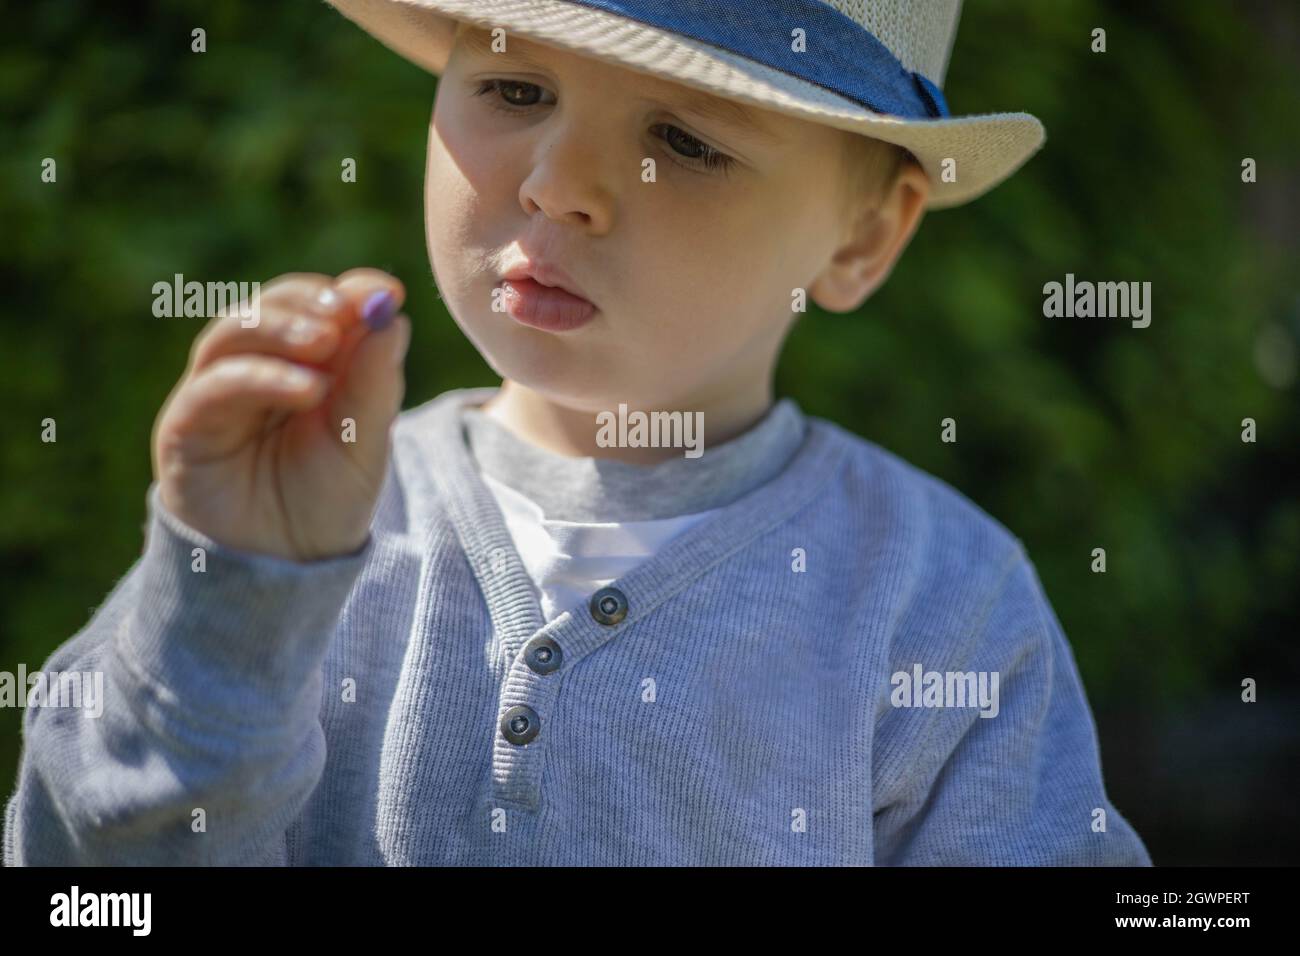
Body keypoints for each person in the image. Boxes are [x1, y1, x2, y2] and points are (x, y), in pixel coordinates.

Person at [3, 0, 1151, 865]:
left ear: (860, 239)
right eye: (513, 90)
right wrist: (231, 595)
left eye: (688, 140)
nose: (559, 183)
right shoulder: (298, 527)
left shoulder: (942, 603)